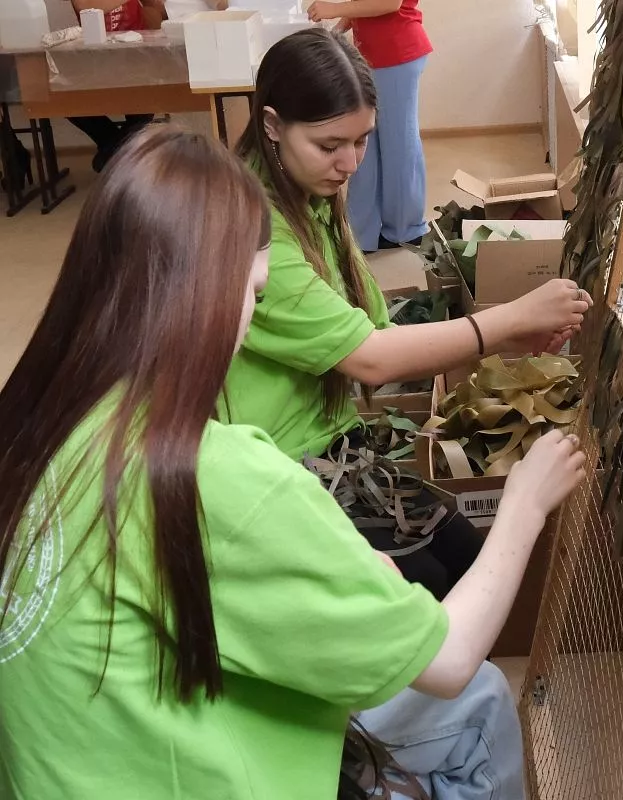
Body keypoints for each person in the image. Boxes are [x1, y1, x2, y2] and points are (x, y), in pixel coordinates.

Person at [0, 124, 585, 798]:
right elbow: (449, 659)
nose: (252, 317)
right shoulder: (219, 475)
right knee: (479, 694)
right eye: (252, 292)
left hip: (87, 761)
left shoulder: (42, 420)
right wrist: (524, 503)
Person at [224, 28, 592, 598]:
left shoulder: (308, 194)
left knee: (464, 555)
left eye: (361, 141)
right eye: (329, 145)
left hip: (333, 444)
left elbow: (377, 328)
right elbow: (371, 358)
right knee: (429, 585)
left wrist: (504, 338)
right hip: (279, 465)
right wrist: (511, 319)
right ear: (272, 125)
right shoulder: (256, 226)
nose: (350, 163)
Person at [307, 0, 432, 252]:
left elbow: (390, 3)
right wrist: (337, 30)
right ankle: (360, 232)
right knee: (365, 147)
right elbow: (362, 4)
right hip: (373, 57)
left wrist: (334, 9)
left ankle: (406, 229)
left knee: (398, 146)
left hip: (396, 55)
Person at [69, 0, 164, 172]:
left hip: (137, 54)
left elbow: (155, 9)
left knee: (145, 96)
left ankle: (114, 152)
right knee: (65, 98)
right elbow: (84, 5)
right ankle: (116, 148)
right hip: (94, 58)